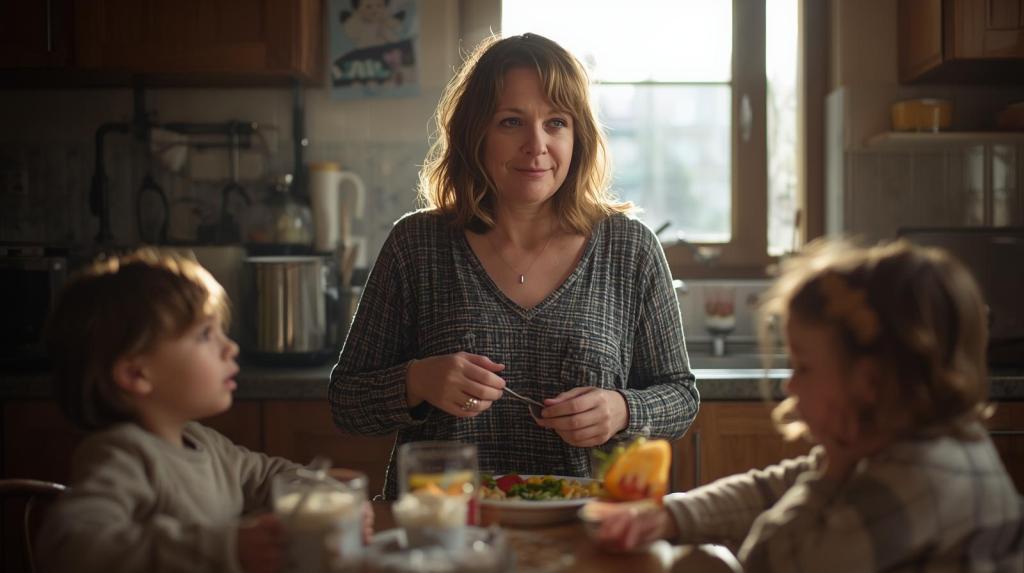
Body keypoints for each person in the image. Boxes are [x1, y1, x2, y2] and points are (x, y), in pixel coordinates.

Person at [329, 33, 699, 499]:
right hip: (444, 527)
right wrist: (417, 381)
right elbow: (346, 403)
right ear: (476, 133)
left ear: (578, 136)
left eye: (556, 123)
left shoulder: (630, 248)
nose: (536, 144)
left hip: (583, 525)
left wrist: (623, 410)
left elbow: (681, 397)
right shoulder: (417, 244)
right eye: (511, 122)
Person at [597, 239, 1024, 571]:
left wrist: (834, 467)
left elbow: (769, 562)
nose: (790, 384)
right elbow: (777, 486)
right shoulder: (909, 448)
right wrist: (672, 516)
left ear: (869, 383)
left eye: (803, 366)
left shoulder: (913, 485)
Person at [36, 250, 372, 573]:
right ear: (137, 374)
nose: (230, 347)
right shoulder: (123, 455)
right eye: (205, 335)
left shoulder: (203, 444)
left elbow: (269, 477)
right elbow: (72, 547)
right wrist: (226, 548)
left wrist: (330, 495)